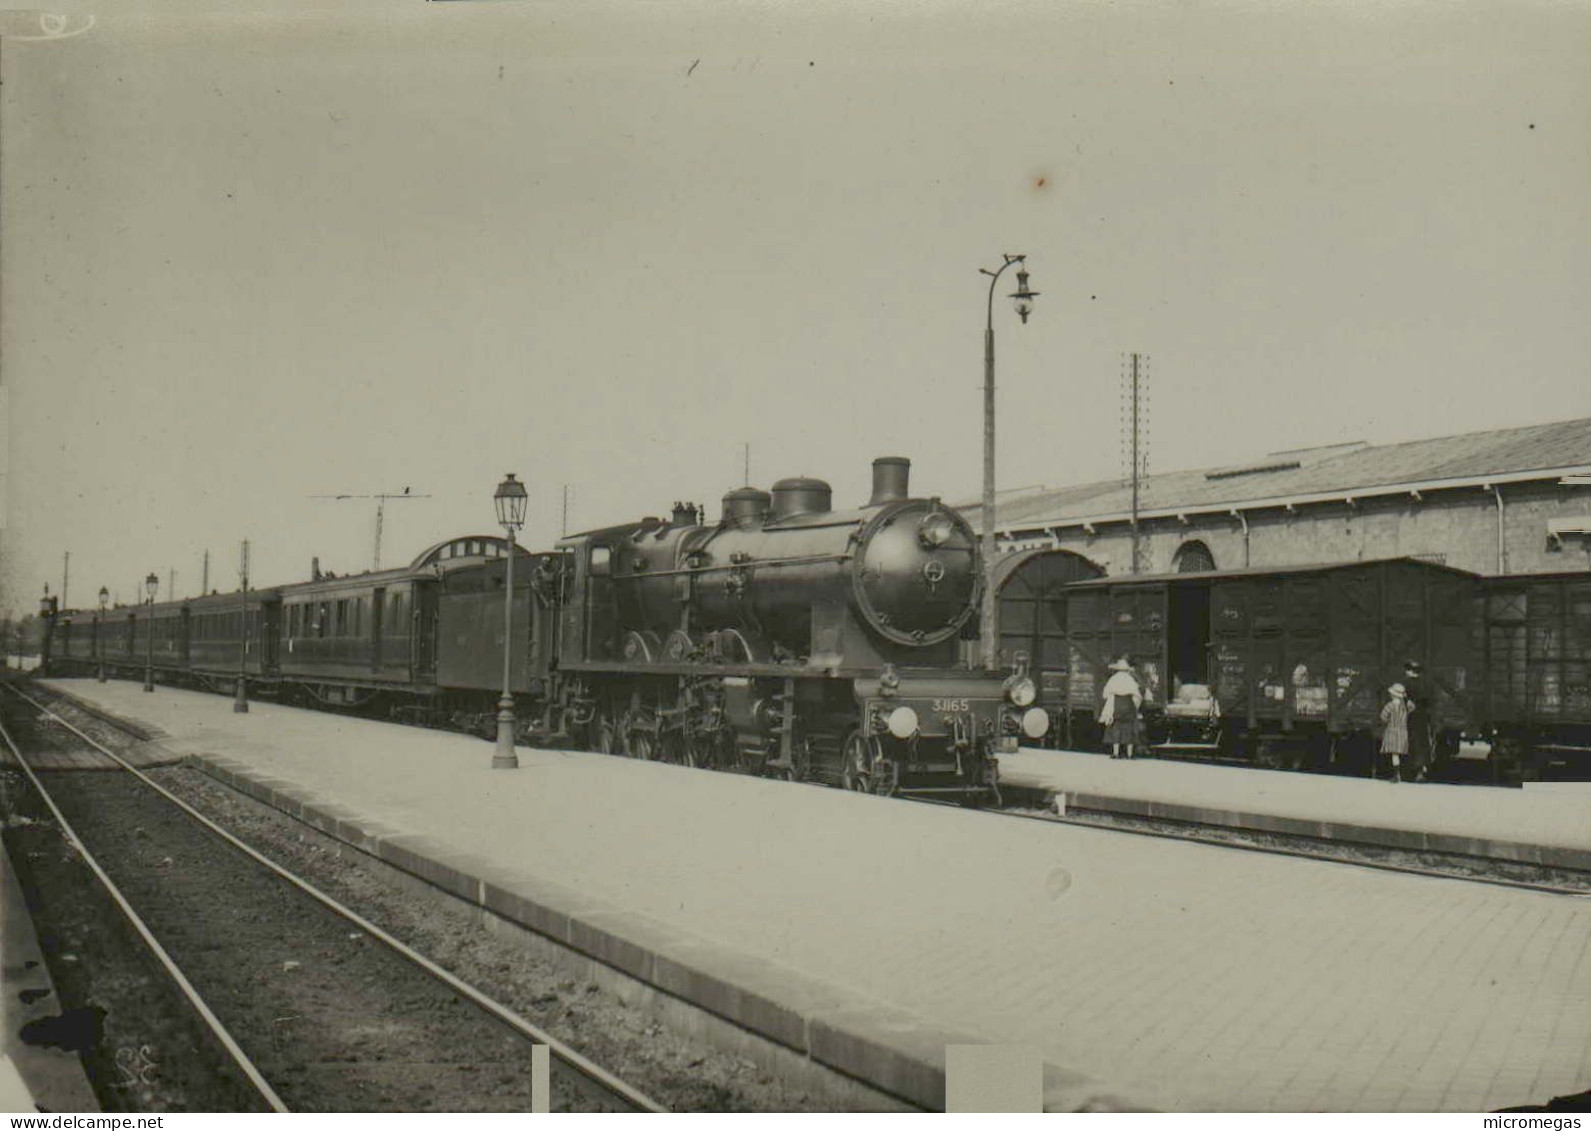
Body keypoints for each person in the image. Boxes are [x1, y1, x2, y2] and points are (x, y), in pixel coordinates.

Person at [1100, 657, 1145, 760]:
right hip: (1128, 705)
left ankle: (1116, 753)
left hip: (1117, 705)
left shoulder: (1113, 679)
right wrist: (1135, 706)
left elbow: (1105, 694)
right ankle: (1129, 754)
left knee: (1116, 728)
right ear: (1127, 670)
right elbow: (1137, 695)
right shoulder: (1130, 679)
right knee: (1129, 729)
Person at [1401, 660, 1433, 781]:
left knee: (1408, 742)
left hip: (1407, 716)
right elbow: (1429, 701)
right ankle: (1420, 770)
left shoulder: (1405, 683)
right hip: (1421, 716)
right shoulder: (1425, 683)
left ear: (1408, 670)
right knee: (1421, 743)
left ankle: (1407, 771)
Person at [1379, 683, 1413, 783]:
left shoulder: (1390, 706)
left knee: (1394, 754)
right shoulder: (1405, 707)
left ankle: (1396, 775)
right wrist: (1406, 699)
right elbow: (1412, 707)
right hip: (1403, 731)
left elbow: (1383, 717)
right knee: (1401, 754)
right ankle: (1404, 773)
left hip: (1392, 731)